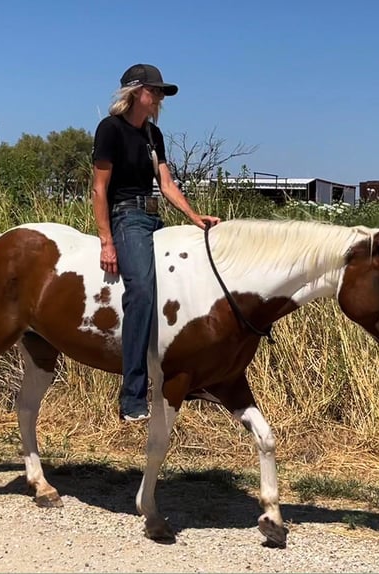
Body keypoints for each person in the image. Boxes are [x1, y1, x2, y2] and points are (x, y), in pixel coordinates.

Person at [92, 63, 221, 422]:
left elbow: (166, 184)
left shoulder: (154, 135)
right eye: (156, 91)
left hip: (152, 216)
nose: (160, 98)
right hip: (125, 216)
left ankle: (189, 375)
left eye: (162, 92)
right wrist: (106, 240)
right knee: (143, 292)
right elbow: (99, 189)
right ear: (136, 93)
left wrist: (195, 218)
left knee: (187, 282)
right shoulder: (110, 130)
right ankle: (132, 396)